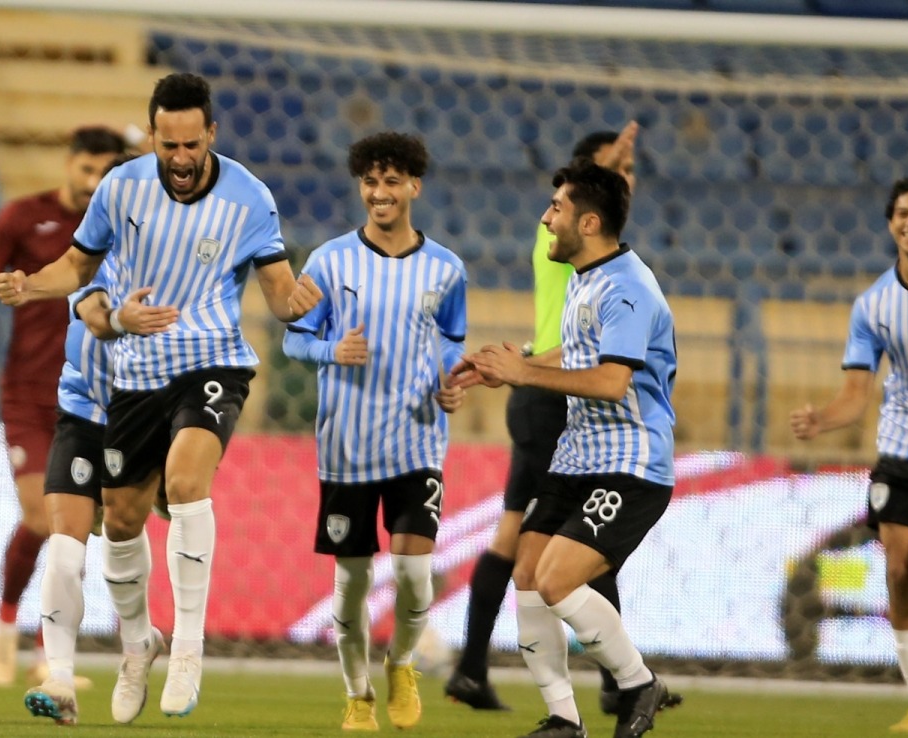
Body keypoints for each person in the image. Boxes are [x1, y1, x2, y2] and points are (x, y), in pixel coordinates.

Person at [0, 72, 322, 722]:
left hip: (211, 363)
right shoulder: (122, 188)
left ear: (211, 136)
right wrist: (32, 286)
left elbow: (281, 291)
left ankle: (190, 650)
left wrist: (301, 305)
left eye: (190, 145)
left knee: (188, 479)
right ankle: (139, 646)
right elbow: (79, 269)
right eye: (167, 145)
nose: (179, 158)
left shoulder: (250, 197)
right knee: (119, 520)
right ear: (152, 136)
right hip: (134, 378)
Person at [452, 159, 676, 738]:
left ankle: (638, 682)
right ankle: (562, 719)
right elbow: (576, 352)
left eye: (557, 209)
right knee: (526, 573)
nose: (546, 218)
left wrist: (525, 376)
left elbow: (610, 380)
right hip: (577, 459)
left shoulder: (626, 289)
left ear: (591, 221)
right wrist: (510, 365)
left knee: (556, 581)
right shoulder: (587, 276)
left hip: (630, 465)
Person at [283, 132, 468, 731]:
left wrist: (449, 380)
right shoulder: (329, 262)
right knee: (353, 585)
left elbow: (450, 340)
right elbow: (293, 338)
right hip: (346, 450)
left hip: (417, 442)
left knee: (415, 575)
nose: (380, 193)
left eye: (392, 182)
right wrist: (332, 350)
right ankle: (358, 694)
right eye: (370, 181)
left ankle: (403, 663)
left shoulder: (446, 269)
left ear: (414, 186)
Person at [0, 125, 127, 688]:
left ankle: (50, 655)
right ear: (69, 163)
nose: (94, 182)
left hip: (95, 394)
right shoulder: (23, 217)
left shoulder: (120, 224)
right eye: (87, 170)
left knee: (72, 525)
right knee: (38, 515)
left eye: (105, 173)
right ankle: (2, 624)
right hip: (27, 392)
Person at [790, 175, 908, 735]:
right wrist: (822, 418)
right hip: (900, 451)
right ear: (890, 222)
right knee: (898, 572)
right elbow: (856, 393)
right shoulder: (874, 304)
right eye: (902, 213)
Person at [21, 156, 133, 726]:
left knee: (121, 552)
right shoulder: (85, 263)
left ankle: (143, 647)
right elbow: (91, 309)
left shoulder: (182, 269)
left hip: (142, 421)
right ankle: (60, 680)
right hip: (83, 415)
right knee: (66, 545)